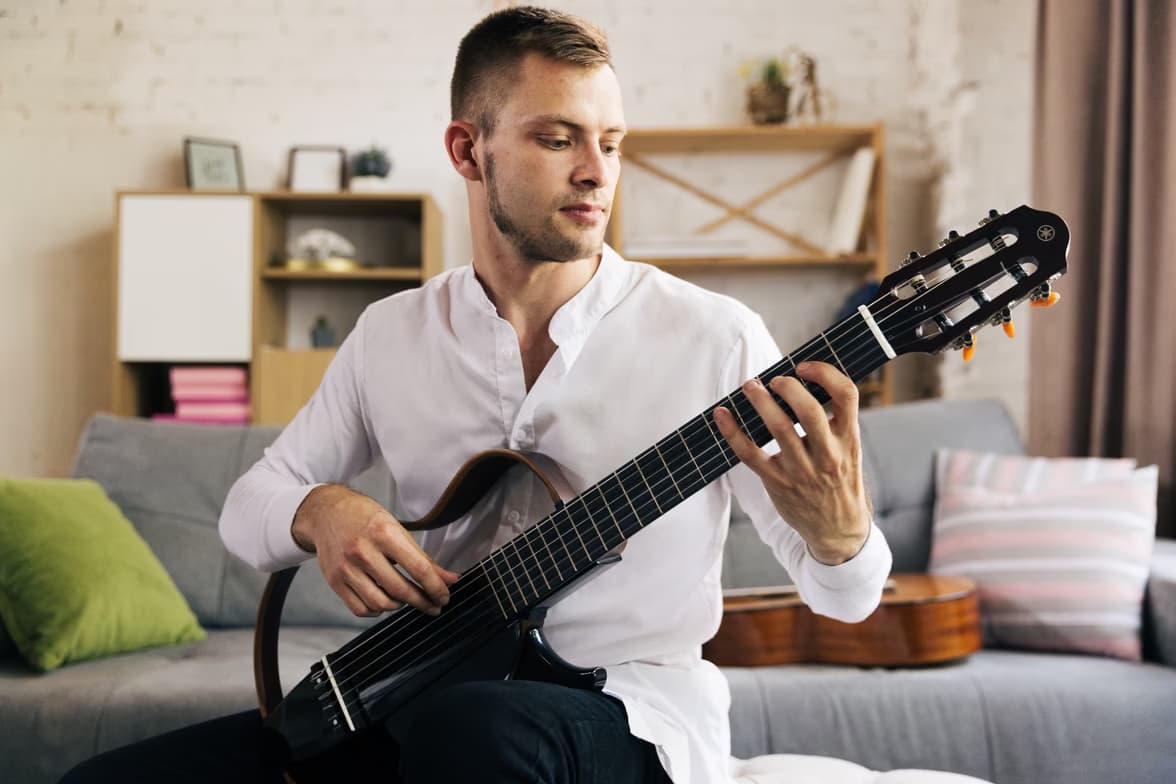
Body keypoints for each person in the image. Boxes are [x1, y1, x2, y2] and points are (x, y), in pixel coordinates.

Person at [61, 6, 891, 784]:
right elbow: (249, 510)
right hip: (410, 698)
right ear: (468, 151)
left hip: (629, 716)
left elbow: (847, 603)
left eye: (611, 141)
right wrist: (321, 510)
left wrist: (843, 536)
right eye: (558, 138)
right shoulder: (392, 334)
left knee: (477, 730)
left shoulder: (717, 337)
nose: (597, 172)